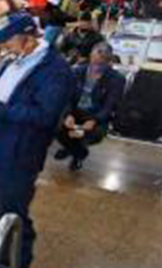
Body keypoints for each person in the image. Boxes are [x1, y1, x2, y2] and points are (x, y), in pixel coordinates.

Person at [0, 14, 74, 268]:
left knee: (12, 218)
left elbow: (45, 117)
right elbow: (7, 98)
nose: (3, 47)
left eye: (7, 41)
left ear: (28, 38)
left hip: (16, 155)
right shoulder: (16, 59)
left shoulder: (55, 71)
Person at [54, 42, 125, 171]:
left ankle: (74, 152)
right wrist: (68, 114)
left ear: (108, 61)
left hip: (95, 115)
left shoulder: (117, 79)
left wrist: (95, 120)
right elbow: (67, 97)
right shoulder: (77, 71)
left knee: (85, 134)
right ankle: (78, 152)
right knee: (57, 127)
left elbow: (110, 105)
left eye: (102, 62)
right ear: (90, 56)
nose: (97, 65)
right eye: (95, 60)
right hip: (75, 112)